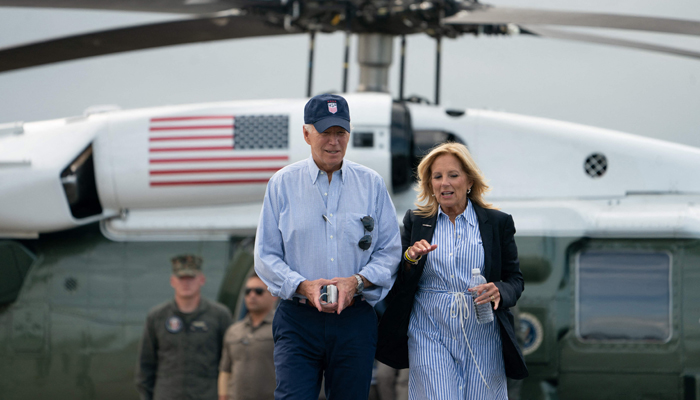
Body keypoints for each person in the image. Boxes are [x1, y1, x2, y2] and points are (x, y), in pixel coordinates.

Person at [254, 93, 402, 400]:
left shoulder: (371, 184)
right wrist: (302, 286)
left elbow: (390, 251)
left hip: (355, 318)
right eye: (325, 133)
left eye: (340, 133)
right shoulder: (281, 184)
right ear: (306, 134)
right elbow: (266, 255)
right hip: (297, 319)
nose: (333, 142)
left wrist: (356, 281)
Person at [376, 142, 528, 399]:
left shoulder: (498, 223)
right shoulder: (416, 222)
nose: (444, 183)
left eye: (453, 175)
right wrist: (411, 258)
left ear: (468, 180)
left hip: (482, 331)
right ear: (430, 184)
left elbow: (515, 280)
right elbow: (398, 281)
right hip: (429, 329)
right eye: (437, 177)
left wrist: (499, 290)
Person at [136, 255, 232, 400]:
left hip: (206, 395)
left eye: (191, 278)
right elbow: (146, 365)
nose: (186, 283)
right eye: (181, 278)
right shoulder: (157, 317)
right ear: (172, 281)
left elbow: (228, 361)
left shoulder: (219, 316)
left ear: (202, 280)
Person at [218, 273, 278, 400]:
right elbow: (225, 370)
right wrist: (223, 396)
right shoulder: (234, 331)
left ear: (273, 295)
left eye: (258, 291)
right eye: (248, 291)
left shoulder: (281, 329)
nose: (252, 295)